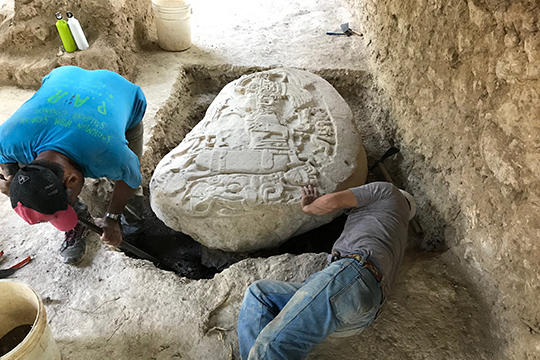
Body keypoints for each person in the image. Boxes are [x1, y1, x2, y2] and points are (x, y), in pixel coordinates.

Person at [237, 181, 416, 360]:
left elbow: (332, 201)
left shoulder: (388, 190)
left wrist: (309, 207)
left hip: (352, 278)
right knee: (260, 295)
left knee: (274, 346)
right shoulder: (398, 234)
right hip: (363, 314)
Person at [0, 65, 147, 265]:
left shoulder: (110, 154)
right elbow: (5, 157)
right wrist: (11, 176)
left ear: (73, 179)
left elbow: (129, 179)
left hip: (119, 91)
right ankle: (76, 223)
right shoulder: (10, 138)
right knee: (43, 187)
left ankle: (135, 230)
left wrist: (112, 218)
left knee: (131, 189)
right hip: (63, 78)